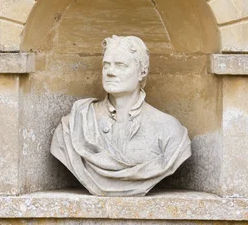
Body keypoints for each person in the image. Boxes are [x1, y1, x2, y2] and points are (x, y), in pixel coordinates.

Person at [51, 35, 192, 196]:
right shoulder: (74, 125)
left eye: (120, 65)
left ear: (142, 72)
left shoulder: (169, 130)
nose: (110, 72)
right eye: (106, 65)